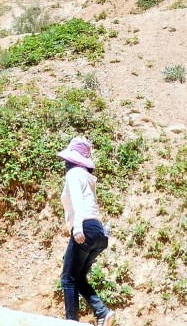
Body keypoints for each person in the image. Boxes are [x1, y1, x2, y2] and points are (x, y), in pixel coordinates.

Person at [57, 137, 115, 326]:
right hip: (98, 232)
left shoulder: (74, 174)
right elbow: (92, 205)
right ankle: (102, 312)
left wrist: (78, 227)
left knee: (67, 279)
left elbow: (78, 202)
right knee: (78, 277)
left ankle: (71, 322)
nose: (65, 163)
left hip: (85, 229)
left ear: (72, 160)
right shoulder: (88, 178)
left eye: (67, 159)